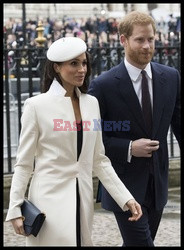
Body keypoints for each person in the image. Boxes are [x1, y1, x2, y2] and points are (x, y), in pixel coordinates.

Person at [5, 37, 142, 247]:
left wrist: (126, 198)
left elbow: (100, 160)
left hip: (82, 201)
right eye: (74, 63)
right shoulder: (36, 106)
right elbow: (24, 164)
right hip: (48, 204)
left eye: (84, 63)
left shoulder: (92, 104)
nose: (82, 69)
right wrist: (15, 208)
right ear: (56, 68)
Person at [88, 11, 180, 247]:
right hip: (122, 186)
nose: (147, 46)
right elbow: (92, 137)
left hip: (157, 185)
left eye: (150, 39)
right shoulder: (103, 85)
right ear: (123, 40)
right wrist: (128, 147)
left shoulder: (171, 77)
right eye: (140, 40)